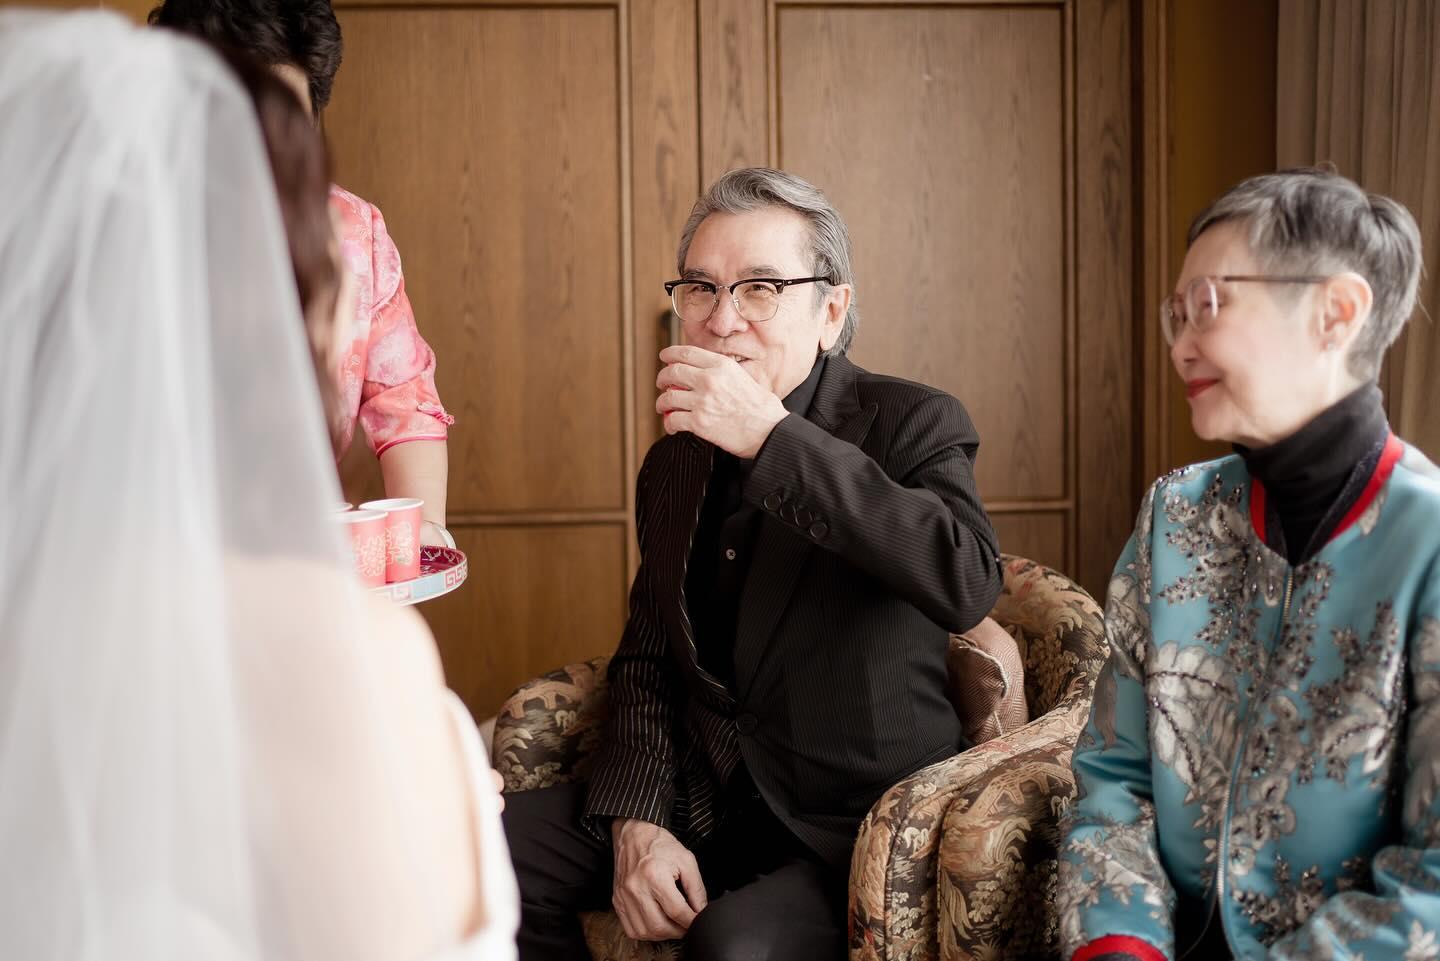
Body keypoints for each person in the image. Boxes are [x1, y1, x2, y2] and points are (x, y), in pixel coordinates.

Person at [0, 12, 514, 959]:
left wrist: (409, 549)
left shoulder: (355, 231)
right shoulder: (361, 672)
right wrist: (426, 770)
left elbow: (405, 401)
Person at [501, 167, 1004, 960]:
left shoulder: (911, 420)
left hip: (851, 828)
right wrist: (638, 820)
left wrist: (775, 440)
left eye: (760, 288)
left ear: (830, 311)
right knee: (473, 852)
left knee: (731, 946)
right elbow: (649, 658)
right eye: (700, 288)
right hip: (706, 802)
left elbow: (966, 577)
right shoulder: (674, 462)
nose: (721, 319)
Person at [1058, 168, 1440, 961]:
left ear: (1336, 313)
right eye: (1176, 314)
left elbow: (1432, 883)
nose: (1179, 346)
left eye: (1207, 305)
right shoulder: (1176, 514)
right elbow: (1114, 778)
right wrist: (1122, 947)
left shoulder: (1427, 538)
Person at [149, 0, 456, 548]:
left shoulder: (354, 233)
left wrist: (425, 536)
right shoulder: (129, 232)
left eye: (282, 127)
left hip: (300, 547)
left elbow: (403, 400)